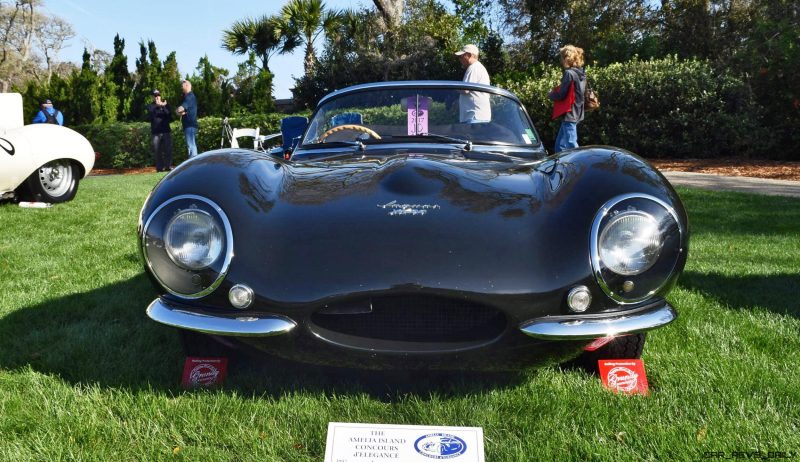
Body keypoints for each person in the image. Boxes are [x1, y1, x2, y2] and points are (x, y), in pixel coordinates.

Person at [548, 45, 587, 153]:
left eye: (561, 57)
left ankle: (579, 166)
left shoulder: (569, 74)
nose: (561, 60)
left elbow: (561, 95)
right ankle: (562, 166)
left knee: (571, 144)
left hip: (570, 113)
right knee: (559, 146)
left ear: (566, 58)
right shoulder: (582, 73)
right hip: (578, 112)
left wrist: (550, 94)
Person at [454, 44, 491, 123]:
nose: (460, 59)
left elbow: (466, 89)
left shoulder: (474, 68)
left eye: (461, 56)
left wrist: (452, 87)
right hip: (477, 116)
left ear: (469, 55)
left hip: (475, 116)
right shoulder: (477, 67)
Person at [146, 90, 173, 172]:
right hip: (156, 132)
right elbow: (150, 114)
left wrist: (163, 107)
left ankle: (168, 166)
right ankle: (159, 168)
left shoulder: (165, 104)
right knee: (157, 151)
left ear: (160, 96)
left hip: (166, 131)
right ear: (153, 97)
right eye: (155, 96)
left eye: (158, 95)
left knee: (168, 150)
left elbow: (170, 116)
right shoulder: (151, 106)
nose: (157, 97)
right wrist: (157, 106)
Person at [176, 79, 198, 158]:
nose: (181, 87)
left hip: (190, 125)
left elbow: (179, 109)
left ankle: (193, 164)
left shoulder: (189, 96)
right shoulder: (189, 97)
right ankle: (194, 164)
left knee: (191, 146)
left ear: (187, 85)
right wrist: (180, 112)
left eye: (182, 85)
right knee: (191, 145)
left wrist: (179, 111)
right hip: (189, 125)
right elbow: (179, 112)